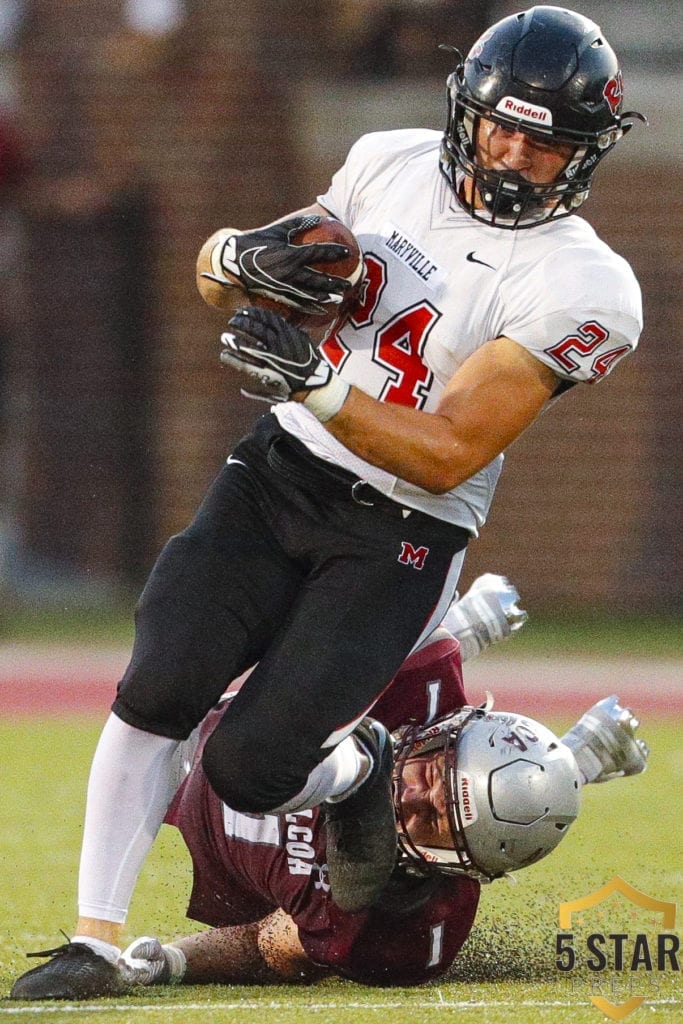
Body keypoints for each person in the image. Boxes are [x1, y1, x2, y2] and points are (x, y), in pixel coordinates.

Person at [11, 5, 646, 999]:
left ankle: (358, 772)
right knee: (163, 671)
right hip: (282, 468)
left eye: (543, 140)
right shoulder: (386, 162)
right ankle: (93, 937)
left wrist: (310, 378)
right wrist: (233, 261)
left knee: (252, 766)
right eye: (502, 127)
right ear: (464, 112)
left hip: (400, 526)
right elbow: (248, 276)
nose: (515, 155)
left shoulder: (583, 282)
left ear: (581, 153)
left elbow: (448, 450)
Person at [12, 599, 648, 997]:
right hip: (252, 728)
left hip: (242, 822)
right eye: (426, 775)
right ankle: (565, 748)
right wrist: (454, 624)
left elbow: (270, 945)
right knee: (406, 639)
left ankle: (576, 762)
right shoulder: (418, 699)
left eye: (434, 824)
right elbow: (362, 622)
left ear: (465, 866)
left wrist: (170, 964)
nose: (407, 801)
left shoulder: (417, 933)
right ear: (441, 733)